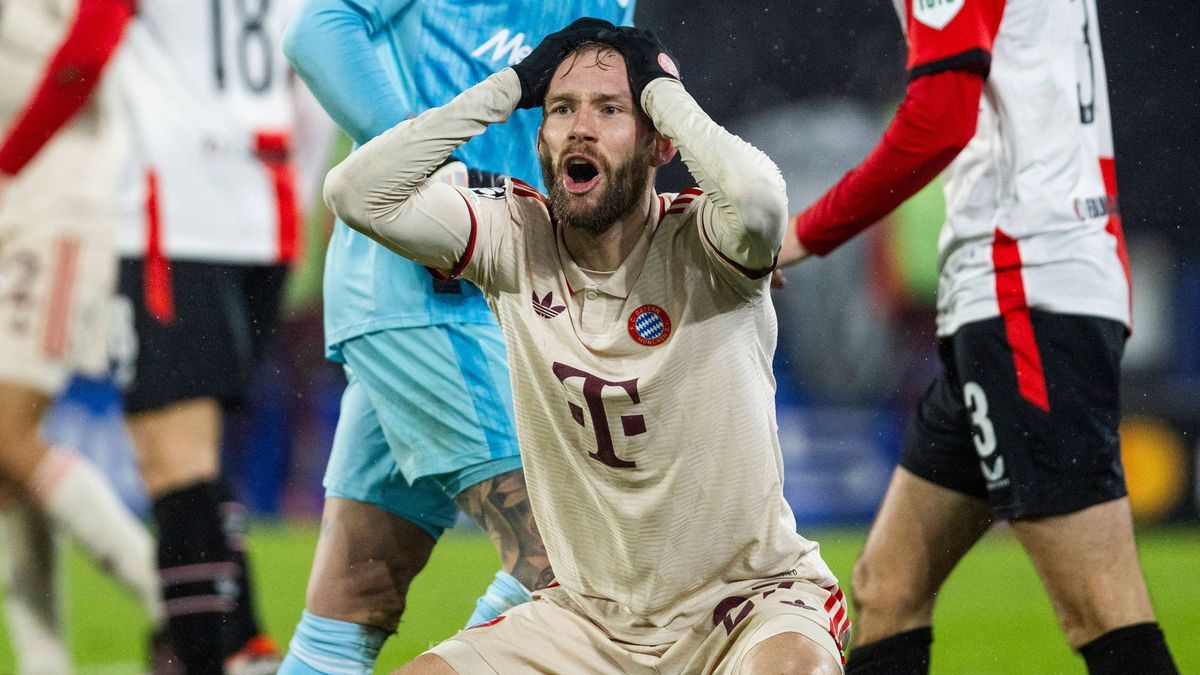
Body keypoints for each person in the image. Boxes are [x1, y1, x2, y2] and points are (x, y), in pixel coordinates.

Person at [324, 19, 849, 674]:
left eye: (610, 110)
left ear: (658, 141)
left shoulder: (707, 243)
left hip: (745, 607)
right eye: (562, 108)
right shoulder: (515, 239)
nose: (580, 126)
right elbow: (355, 192)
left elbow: (760, 201)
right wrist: (508, 87)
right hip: (587, 621)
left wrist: (665, 96)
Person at [776, 1, 1179, 673]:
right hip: (1035, 281)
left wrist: (803, 234)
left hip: (1023, 291)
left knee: (1103, 609)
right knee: (887, 589)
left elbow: (939, 118)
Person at [278, 3, 634, 672]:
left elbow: (605, 124)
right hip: (425, 288)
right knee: (570, 557)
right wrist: (421, 162)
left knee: (359, 589)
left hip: (502, 291)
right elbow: (318, 28)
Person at [111, 0, 326, 671]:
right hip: (265, 208)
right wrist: (298, 198)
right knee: (198, 454)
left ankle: (205, 649)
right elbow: (316, 71)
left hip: (171, 206)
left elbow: (86, 44)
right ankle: (241, 639)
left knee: (173, 457)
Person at [0, 2, 168, 672]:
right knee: (5, 457)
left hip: (57, 198)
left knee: (7, 431)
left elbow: (94, 40)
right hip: (20, 191)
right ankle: (44, 661)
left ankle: (170, 597)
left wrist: (9, 162)